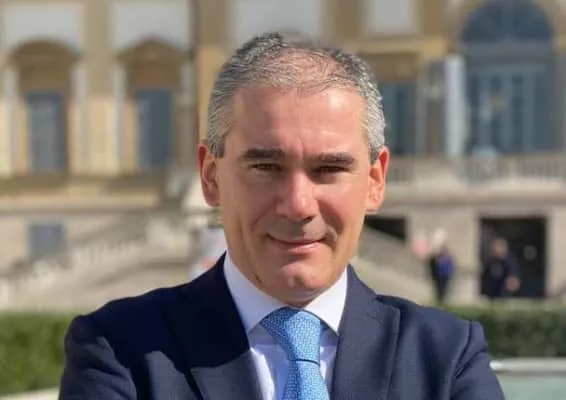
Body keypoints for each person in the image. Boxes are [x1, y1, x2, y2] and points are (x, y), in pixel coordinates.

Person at [59, 32, 504, 400]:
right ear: (211, 178)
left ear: (375, 181)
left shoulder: (446, 358)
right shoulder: (120, 351)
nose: (298, 205)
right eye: (266, 167)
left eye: (328, 169)